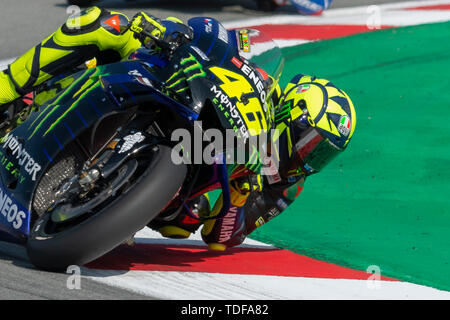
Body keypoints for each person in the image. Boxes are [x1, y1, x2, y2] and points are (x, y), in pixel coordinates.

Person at [0, 7, 356, 250]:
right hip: (176, 84)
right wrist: (170, 31)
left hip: (177, 191)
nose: (309, 156)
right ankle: (6, 89)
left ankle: (102, 202)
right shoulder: (261, 78)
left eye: (323, 153)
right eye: (312, 141)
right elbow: (217, 34)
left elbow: (221, 238)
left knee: (181, 224)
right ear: (290, 113)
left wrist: (242, 196)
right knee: (102, 23)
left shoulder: (285, 186)